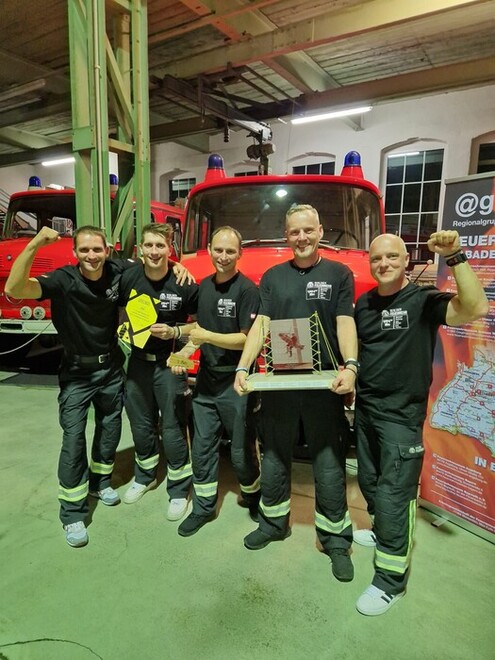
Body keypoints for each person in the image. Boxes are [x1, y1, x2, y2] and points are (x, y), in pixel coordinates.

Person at [5, 224, 191, 548]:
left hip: (112, 369)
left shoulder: (118, 269)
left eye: (97, 250)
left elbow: (153, 261)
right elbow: (14, 287)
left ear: (108, 250)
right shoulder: (63, 280)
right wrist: (34, 243)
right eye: (85, 250)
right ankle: (72, 513)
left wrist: (177, 265)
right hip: (77, 373)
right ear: (75, 253)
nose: (92, 256)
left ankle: (100, 481)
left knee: (110, 428)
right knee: (74, 439)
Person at [353, 231, 489, 616]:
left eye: (392, 257)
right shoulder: (363, 305)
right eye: (377, 258)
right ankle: (381, 533)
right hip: (366, 409)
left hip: (401, 415)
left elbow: (475, 308)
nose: (384, 264)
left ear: (406, 260)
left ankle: (390, 582)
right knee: (370, 481)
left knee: (397, 495)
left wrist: (456, 256)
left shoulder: (423, 301)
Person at [234, 204, 358, 582]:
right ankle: (274, 523)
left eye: (308, 230)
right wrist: (243, 366)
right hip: (281, 385)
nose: (301, 238)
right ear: (286, 236)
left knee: (328, 461)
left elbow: (344, 322)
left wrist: (351, 367)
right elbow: (262, 326)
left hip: (323, 386)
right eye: (294, 232)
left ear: (320, 231)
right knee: (273, 455)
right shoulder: (271, 278)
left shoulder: (339, 274)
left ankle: (335, 538)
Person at [169, 226, 261, 537]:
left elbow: (246, 340)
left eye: (230, 251)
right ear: (209, 249)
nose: (223, 256)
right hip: (207, 385)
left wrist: (206, 335)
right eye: (218, 250)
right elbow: (197, 334)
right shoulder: (203, 288)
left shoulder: (248, 291)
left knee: (240, 451)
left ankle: (252, 492)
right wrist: (181, 356)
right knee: (203, 446)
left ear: (240, 254)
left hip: (238, 384)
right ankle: (203, 507)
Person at [120, 223, 198, 522]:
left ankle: (179, 491)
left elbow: (201, 325)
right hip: (138, 362)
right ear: (140, 249)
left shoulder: (184, 283)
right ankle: (145, 476)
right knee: (140, 424)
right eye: (149, 246)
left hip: (172, 361)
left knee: (174, 428)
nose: (154, 251)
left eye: (160, 246)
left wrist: (176, 331)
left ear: (170, 249)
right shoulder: (128, 277)